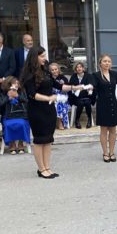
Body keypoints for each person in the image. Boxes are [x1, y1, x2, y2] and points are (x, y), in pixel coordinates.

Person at [22, 47, 79, 177]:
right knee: (39, 140)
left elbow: (58, 85)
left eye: (44, 55)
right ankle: (41, 169)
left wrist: (75, 87)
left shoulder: (45, 71)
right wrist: (49, 98)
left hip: (49, 109)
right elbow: (32, 94)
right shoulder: (29, 74)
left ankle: (47, 167)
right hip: (37, 111)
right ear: (35, 57)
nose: (45, 58)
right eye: (42, 56)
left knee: (48, 139)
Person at [0, 76, 31, 155]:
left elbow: (27, 102)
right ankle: (12, 143)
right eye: (14, 83)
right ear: (9, 84)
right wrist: (8, 98)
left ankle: (21, 143)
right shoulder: (4, 93)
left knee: (22, 123)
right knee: (8, 125)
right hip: (8, 116)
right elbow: (0, 105)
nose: (16, 85)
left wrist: (17, 96)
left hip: (22, 116)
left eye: (17, 83)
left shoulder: (21, 91)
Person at [69, 62, 94, 129]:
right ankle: (77, 120)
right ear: (75, 69)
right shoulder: (73, 76)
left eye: (80, 67)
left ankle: (89, 120)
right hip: (76, 98)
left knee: (87, 102)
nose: (79, 68)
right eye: (77, 67)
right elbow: (71, 87)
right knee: (80, 102)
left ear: (83, 68)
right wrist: (78, 88)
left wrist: (87, 88)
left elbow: (91, 86)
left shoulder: (88, 76)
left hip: (87, 96)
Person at [49, 63, 70, 130]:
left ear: (58, 69)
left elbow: (66, 89)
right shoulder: (48, 79)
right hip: (51, 97)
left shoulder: (63, 78)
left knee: (60, 101)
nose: (54, 71)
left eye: (56, 69)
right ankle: (60, 122)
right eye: (52, 70)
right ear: (50, 71)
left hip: (62, 96)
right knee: (58, 101)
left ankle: (60, 122)